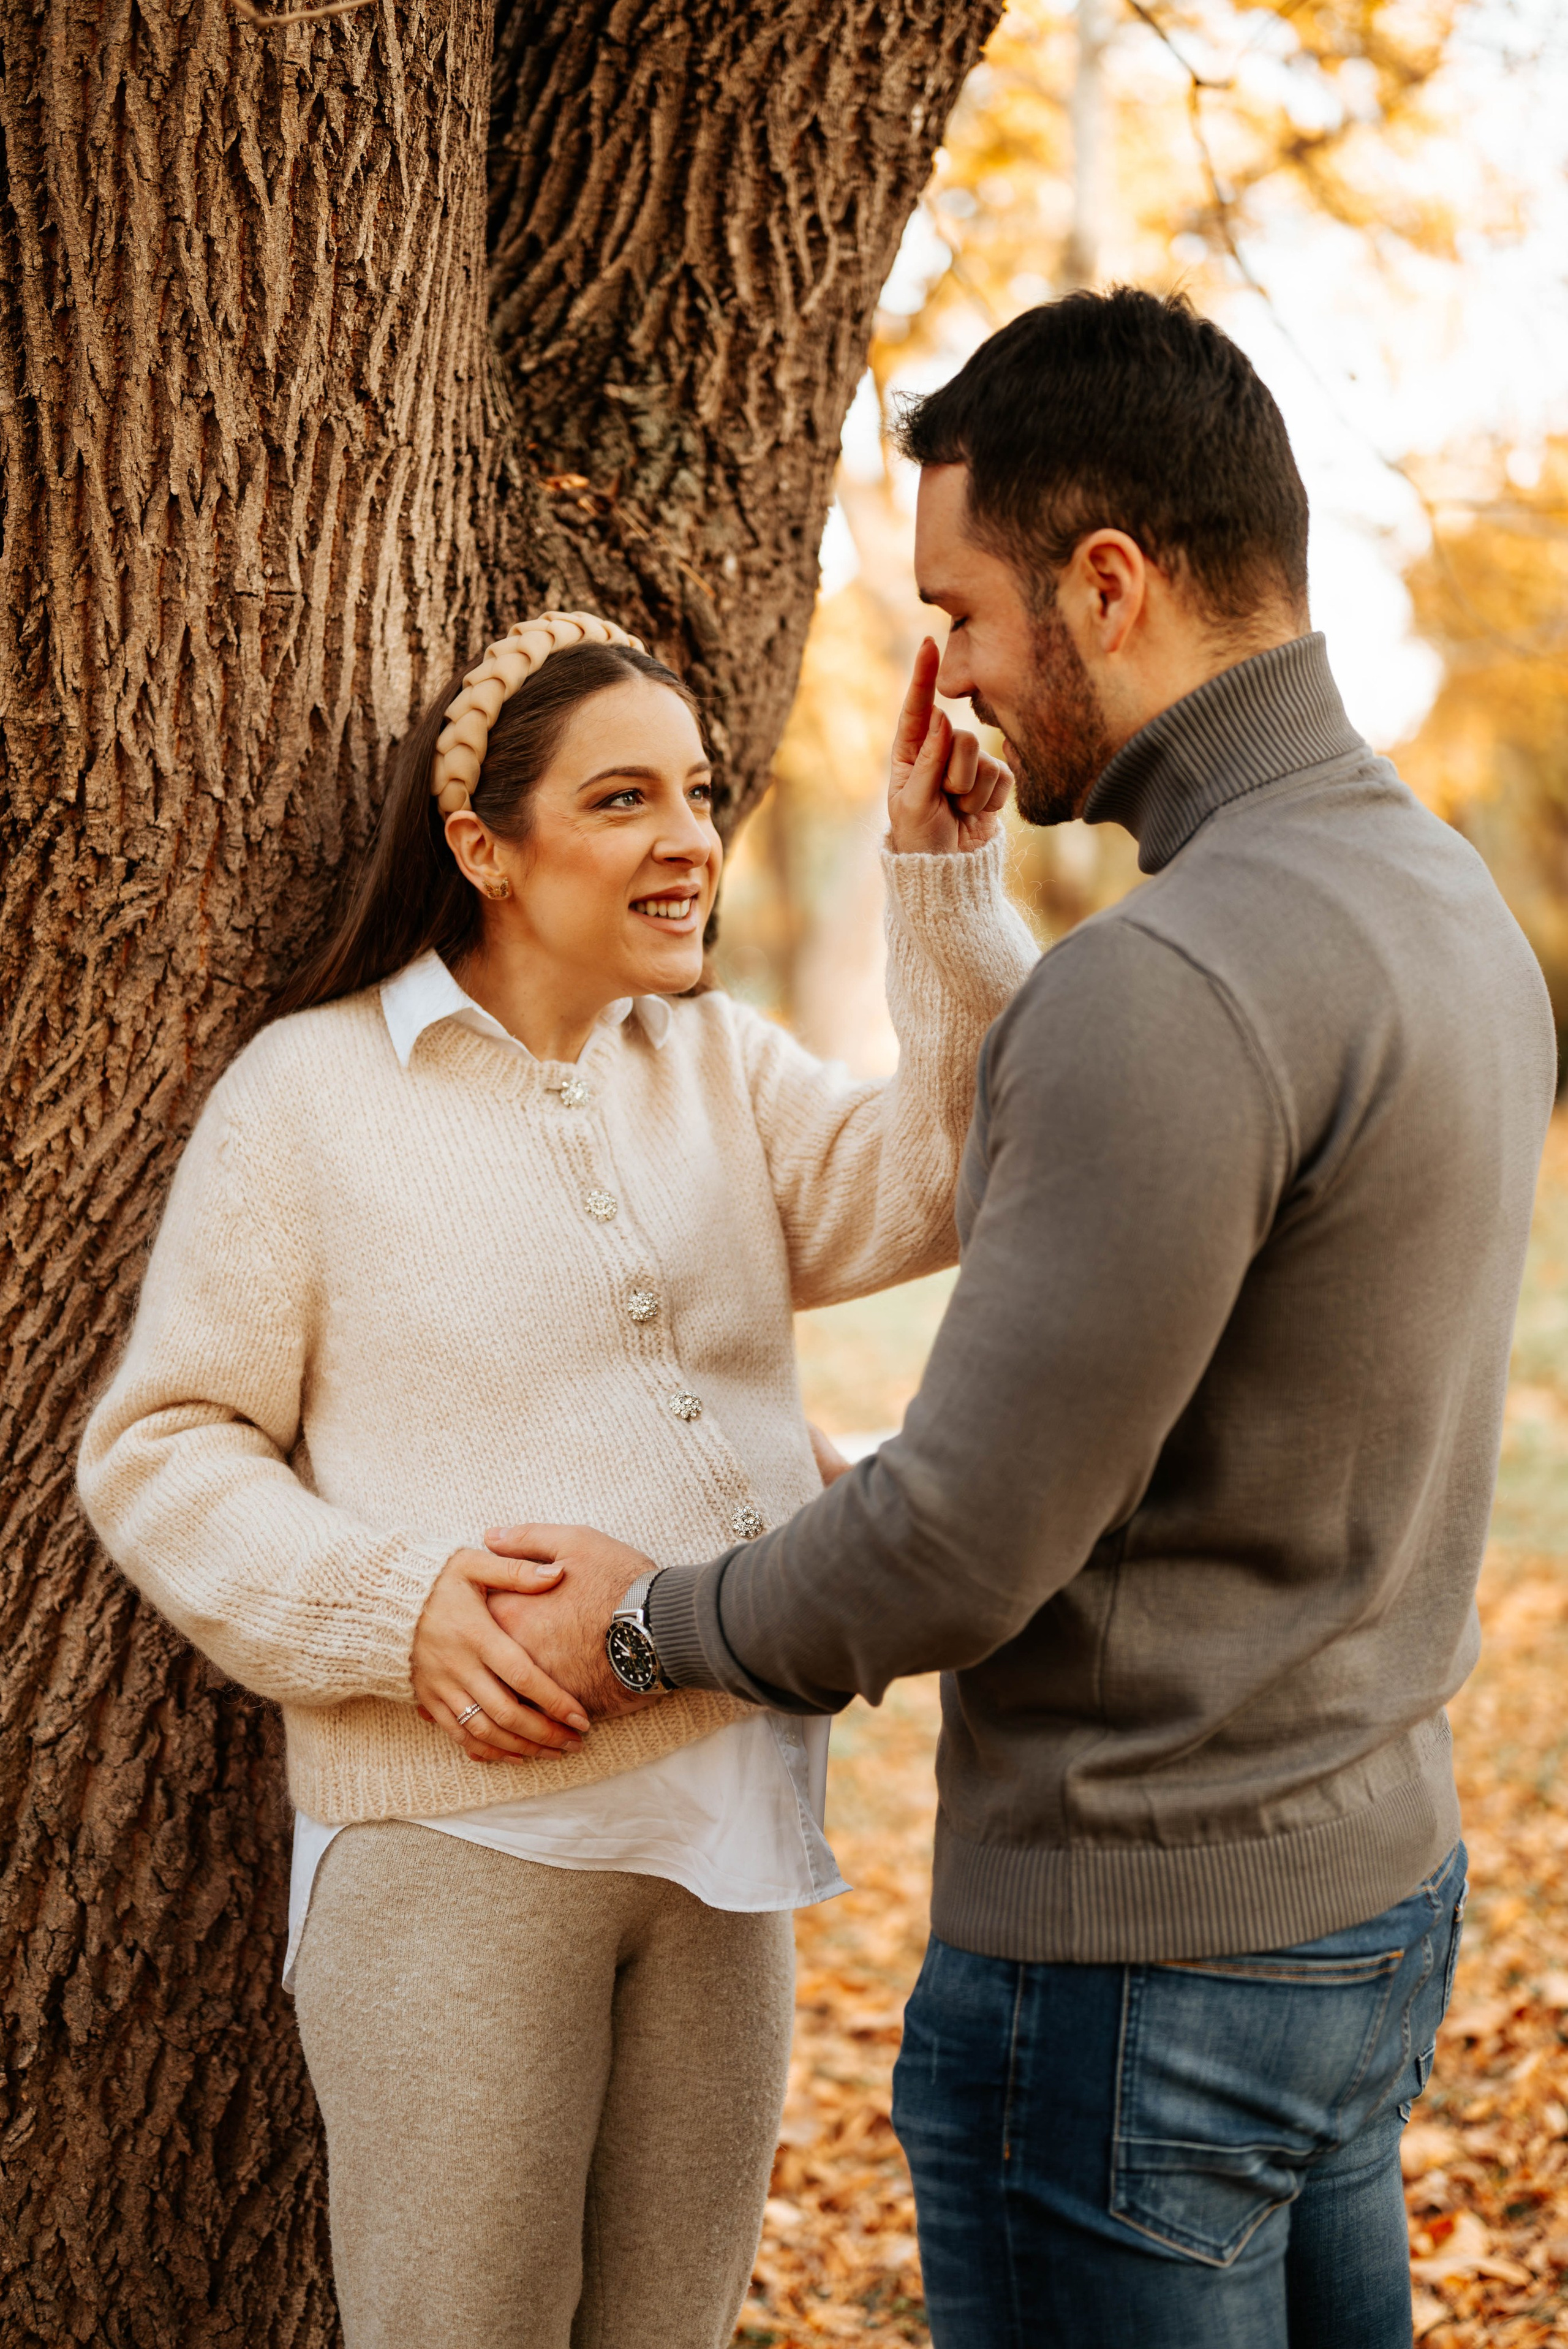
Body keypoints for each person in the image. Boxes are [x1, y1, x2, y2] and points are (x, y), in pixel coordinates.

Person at [477, 296, 1559, 2348]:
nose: (951, 673)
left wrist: (645, 1621)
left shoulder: (1170, 982)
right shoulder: (1442, 908)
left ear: (1110, 585)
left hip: (1139, 1982)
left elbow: (963, 1554)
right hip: (1362, 1913)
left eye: (962, 611)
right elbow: (1221, 1397)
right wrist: (953, 903)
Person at [77, 609, 1038, 2349]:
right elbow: (160, 1448)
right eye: (622, 799)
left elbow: (954, 1169)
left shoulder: (717, 1066)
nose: (689, 840)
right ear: (485, 850)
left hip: (728, 1823)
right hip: (461, 1842)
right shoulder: (314, 1096)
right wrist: (396, 1610)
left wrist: (945, 885)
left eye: (699, 793)